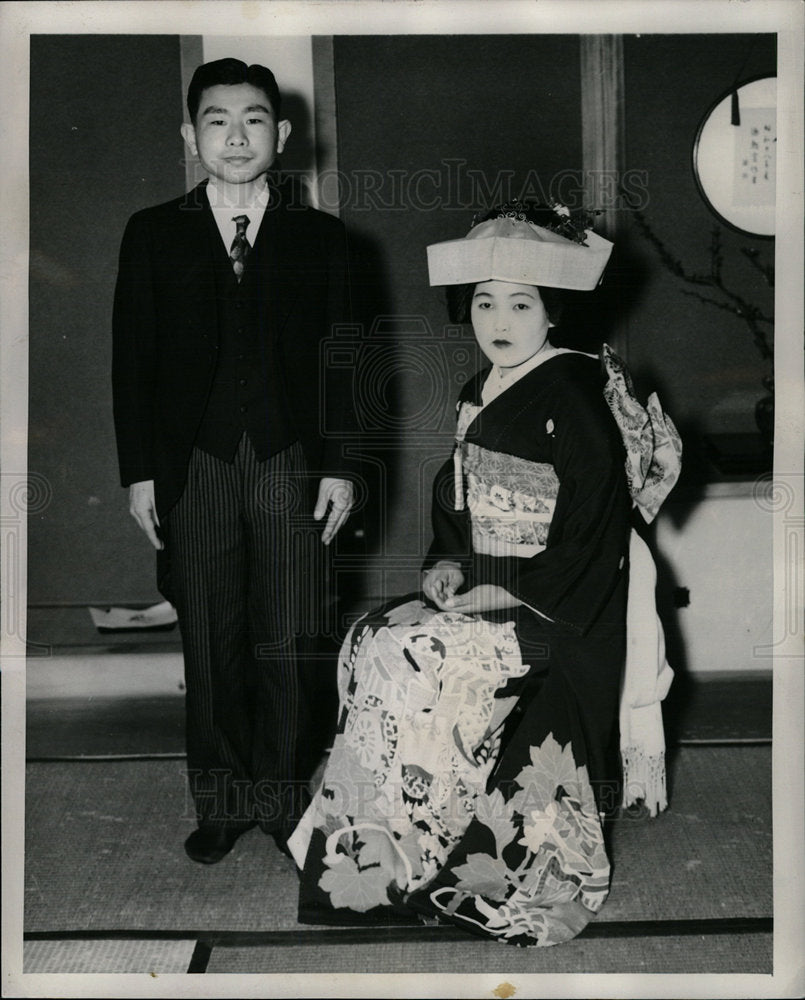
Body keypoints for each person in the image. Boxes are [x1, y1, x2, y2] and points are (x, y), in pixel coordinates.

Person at [288, 202, 681, 946]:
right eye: (483, 303)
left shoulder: (575, 394)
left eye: (520, 304)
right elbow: (457, 506)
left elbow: (592, 540)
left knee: (416, 656)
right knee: (369, 636)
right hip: (491, 588)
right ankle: (375, 859)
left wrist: (498, 591)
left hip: (560, 609)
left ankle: (456, 861)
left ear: (552, 309)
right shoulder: (481, 389)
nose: (499, 321)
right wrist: (443, 565)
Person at [112, 58, 357, 865]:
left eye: (254, 120)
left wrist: (343, 467)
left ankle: (286, 802)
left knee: (293, 634)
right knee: (209, 640)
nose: (236, 136)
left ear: (282, 136)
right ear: (191, 136)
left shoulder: (322, 238)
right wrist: (140, 471)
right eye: (216, 121)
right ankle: (221, 803)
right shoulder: (152, 231)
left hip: (292, 460)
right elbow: (131, 359)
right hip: (196, 465)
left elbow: (345, 362)